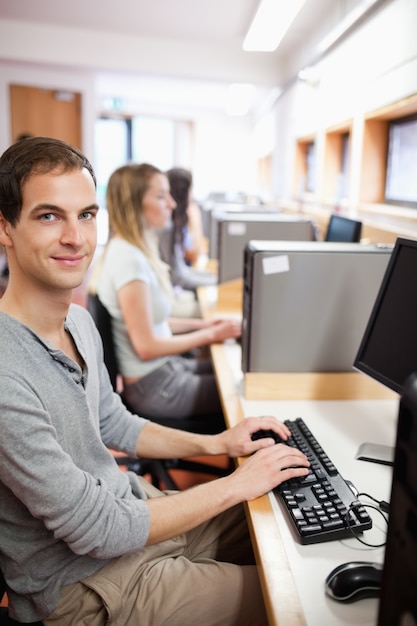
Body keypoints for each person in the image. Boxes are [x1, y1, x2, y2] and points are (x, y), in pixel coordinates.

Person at [0, 136, 310, 625]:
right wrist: (234, 483)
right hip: (83, 586)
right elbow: (95, 530)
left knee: (288, 523)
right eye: (48, 216)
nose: (76, 238)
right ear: (5, 228)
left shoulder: (77, 323)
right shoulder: (5, 373)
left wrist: (219, 442)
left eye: (86, 215)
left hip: (134, 516)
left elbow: (114, 422)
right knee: (302, 602)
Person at [96, 163, 239, 427]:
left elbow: (154, 321)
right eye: (162, 196)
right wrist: (210, 335)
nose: (172, 204)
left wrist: (205, 325)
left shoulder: (135, 249)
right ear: (135, 203)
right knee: (239, 394)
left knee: (235, 371)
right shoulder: (129, 260)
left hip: (166, 370)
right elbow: (147, 345)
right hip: (155, 387)